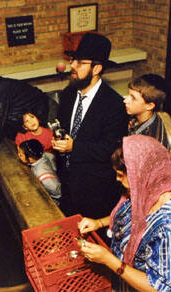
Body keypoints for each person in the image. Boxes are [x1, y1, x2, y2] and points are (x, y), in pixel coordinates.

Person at [78, 135, 171, 292]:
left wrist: (108, 260)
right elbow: (131, 216)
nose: (117, 179)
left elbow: (158, 288)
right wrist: (98, 223)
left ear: (140, 174)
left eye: (120, 175)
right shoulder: (149, 191)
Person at [52, 32, 128, 218]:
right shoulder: (68, 94)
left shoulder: (114, 104)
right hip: (68, 184)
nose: (72, 66)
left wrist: (74, 147)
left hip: (96, 191)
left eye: (80, 62)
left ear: (96, 69)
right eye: (73, 61)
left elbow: (111, 148)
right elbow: (65, 129)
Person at [124, 74, 171, 163]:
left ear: (149, 106)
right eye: (129, 95)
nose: (125, 100)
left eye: (133, 98)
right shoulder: (136, 117)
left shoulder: (150, 142)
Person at [18, 139, 62, 204]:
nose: (18, 155)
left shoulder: (42, 174)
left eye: (21, 155)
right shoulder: (43, 155)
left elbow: (57, 192)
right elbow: (51, 156)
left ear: (30, 159)